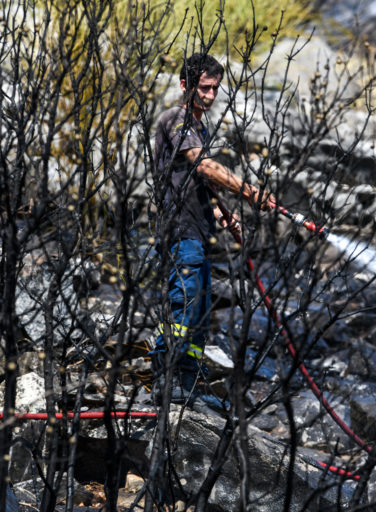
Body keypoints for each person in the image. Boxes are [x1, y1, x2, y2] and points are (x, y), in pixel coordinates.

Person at [150, 53, 276, 407]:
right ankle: (166, 380)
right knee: (183, 307)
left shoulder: (198, 127)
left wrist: (224, 212)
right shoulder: (176, 120)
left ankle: (187, 385)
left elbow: (198, 183)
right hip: (179, 231)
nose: (210, 95)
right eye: (204, 87)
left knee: (201, 314)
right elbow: (202, 166)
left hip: (199, 232)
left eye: (215, 88)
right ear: (184, 85)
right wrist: (250, 192)